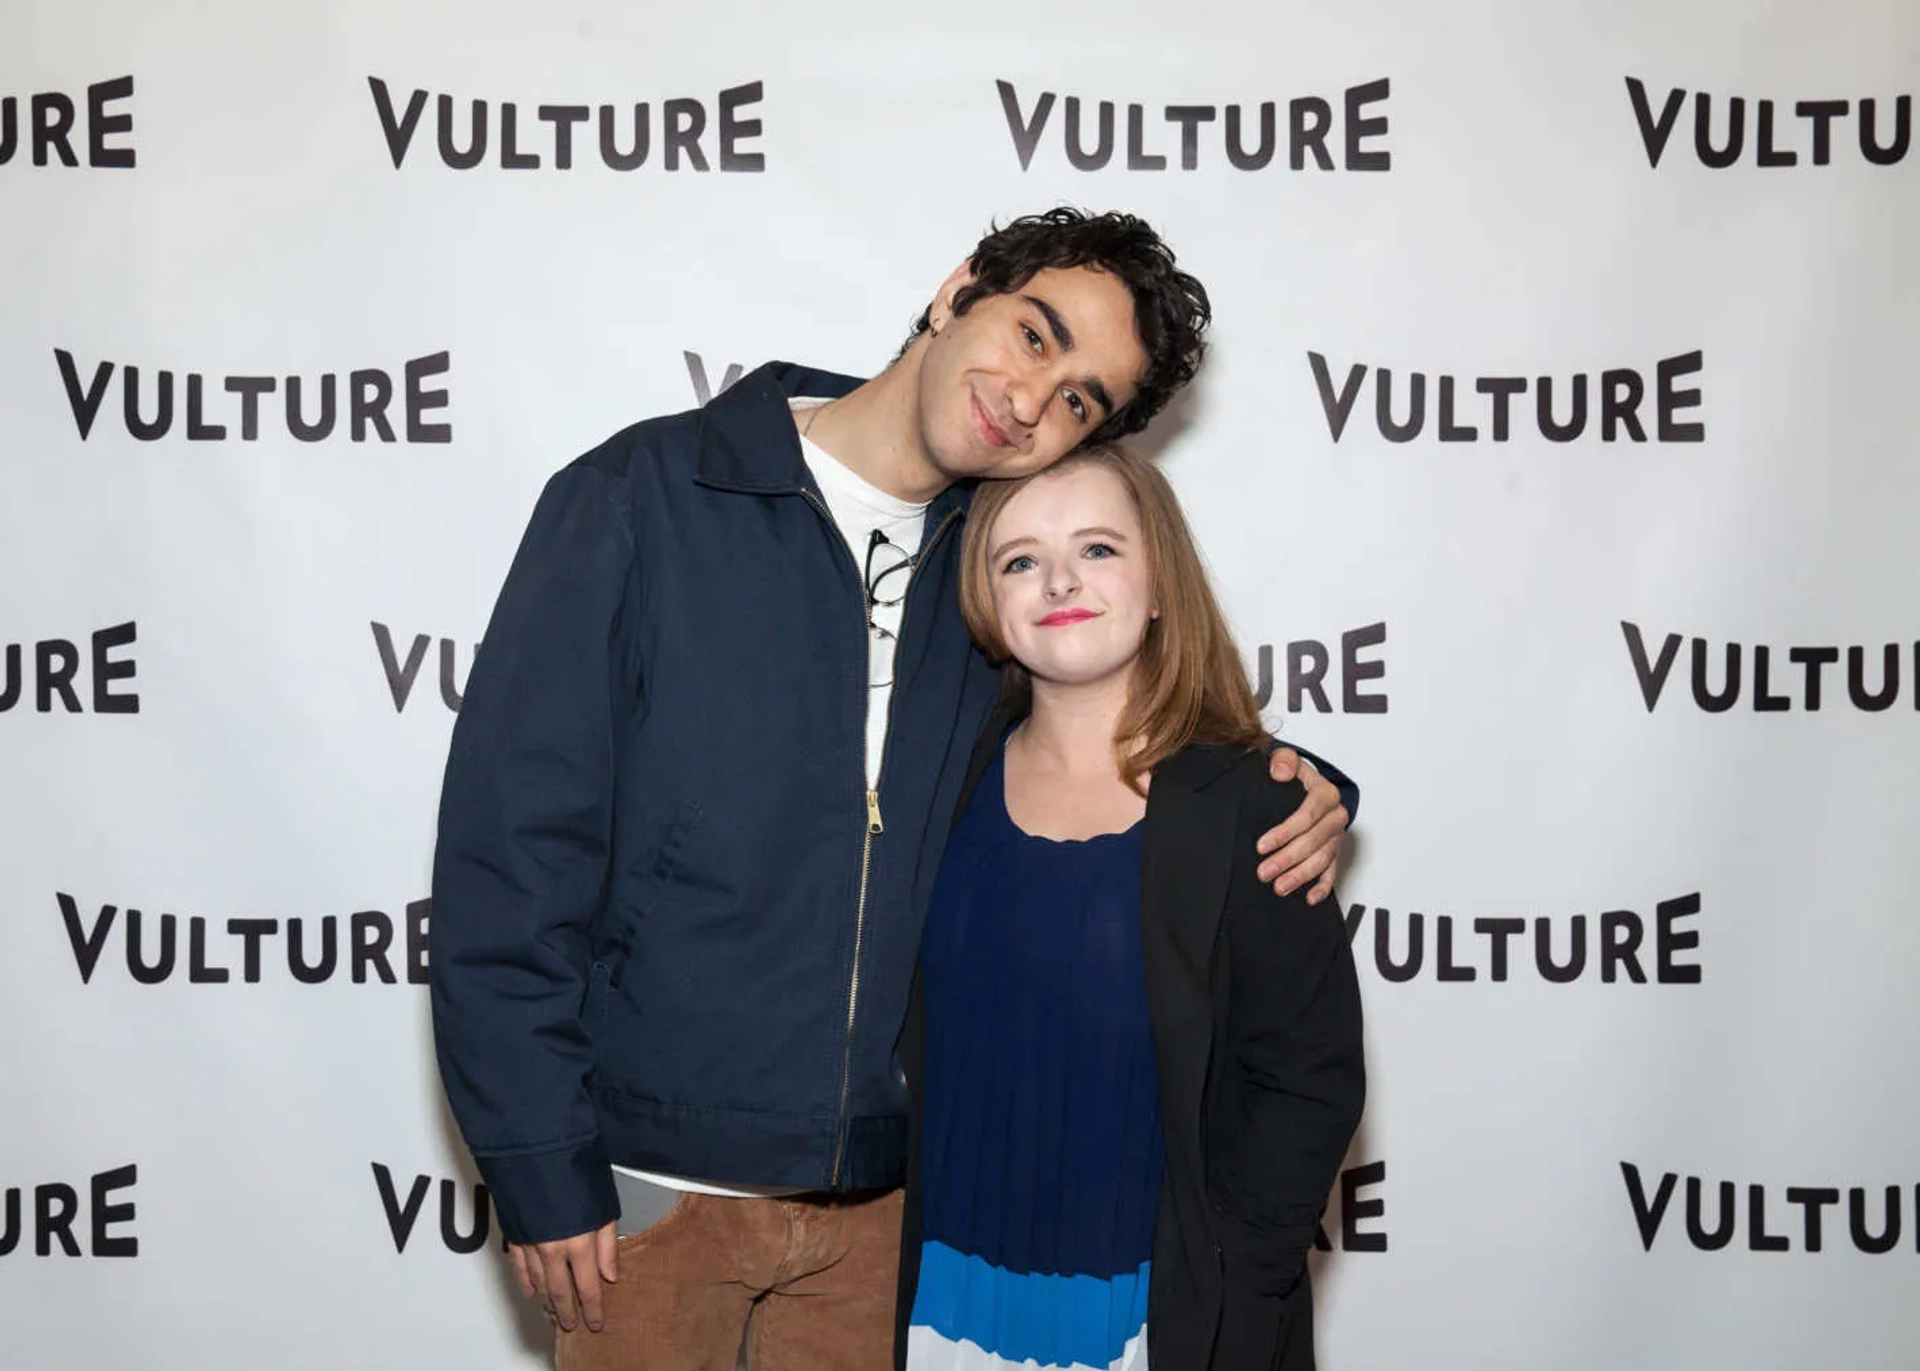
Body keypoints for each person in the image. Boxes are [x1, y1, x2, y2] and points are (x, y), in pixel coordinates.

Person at [428, 208, 1360, 1371]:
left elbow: (1116, 737)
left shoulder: (997, 560)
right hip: (644, 1203)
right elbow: (508, 862)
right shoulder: (644, 497)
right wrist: (536, 1160)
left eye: (1079, 399)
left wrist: (1303, 783)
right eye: (1035, 335)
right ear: (959, 288)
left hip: (891, 1224)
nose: (1031, 399)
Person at [895, 444, 1366, 1371]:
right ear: (985, 603)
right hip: (937, 1303)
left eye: (1099, 548)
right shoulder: (934, 782)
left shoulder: (1258, 808)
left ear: (1160, 585)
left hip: (1160, 1319)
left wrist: (1238, 1278)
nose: (1059, 578)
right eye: (1019, 558)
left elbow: (1306, 1080)